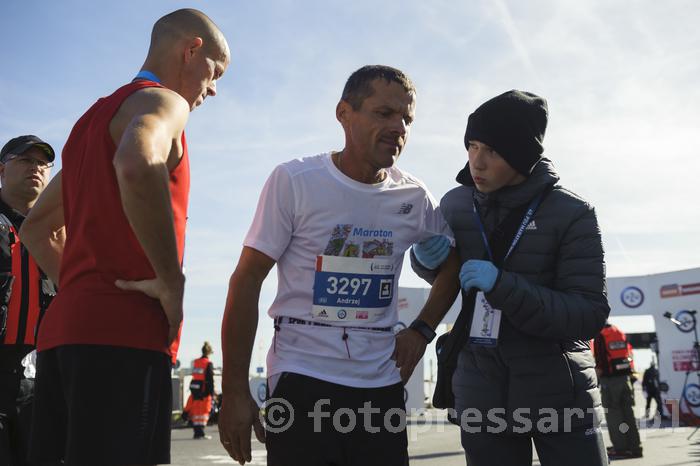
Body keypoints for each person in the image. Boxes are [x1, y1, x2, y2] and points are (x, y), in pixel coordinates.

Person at [19, 9, 230, 466]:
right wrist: (170, 282)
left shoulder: (91, 121)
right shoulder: (164, 102)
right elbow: (136, 164)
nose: (214, 88)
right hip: (125, 338)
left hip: (63, 337)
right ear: (191, 50)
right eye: (215, 72)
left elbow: (35, 227)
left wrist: (83, 285)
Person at [219, 65, 457, 466]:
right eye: (384, 114)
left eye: (407, 118)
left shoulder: (413, 197)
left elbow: (453, 265)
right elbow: (246, 281)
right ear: (344, 113)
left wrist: (421, 330)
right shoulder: (295, 181)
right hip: (302, 379)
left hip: (379, 383)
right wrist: (235, 391)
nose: (398, 127)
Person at [411, 90, 610, 466]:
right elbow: (445, 273)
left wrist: (503, 286)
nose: (476, 161)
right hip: (480, 386)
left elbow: (588, 313)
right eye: (471, 145)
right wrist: (424, 260)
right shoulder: (454, 204)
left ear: (522, 155)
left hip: (560, 391)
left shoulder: (573, 213)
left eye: (493, 151)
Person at [0, 135, 58, 466]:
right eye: (25, 160)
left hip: (46, 381)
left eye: (42, 163)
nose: (35, 168)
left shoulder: (63, 229)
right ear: (2, 170)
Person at [594, 322, 643, 459]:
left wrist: (595, 380)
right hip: (625, 379)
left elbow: (601, 362)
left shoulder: (600, 335)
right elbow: (629, 352)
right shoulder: (618, 332)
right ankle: (635, 447)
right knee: (628, 415)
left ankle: (621, 448)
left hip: (610, 382)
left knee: (614, 417)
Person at [183, 341, 216, 439]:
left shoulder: (196, 362)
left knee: (196, 411)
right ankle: (200, 432)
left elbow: (195, 375)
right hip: (204, 391)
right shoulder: (208, 363)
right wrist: (211, 392)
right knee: (203, 412)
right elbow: (209, 379)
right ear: (209, 353)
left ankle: (197, 432)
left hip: (195, 389)